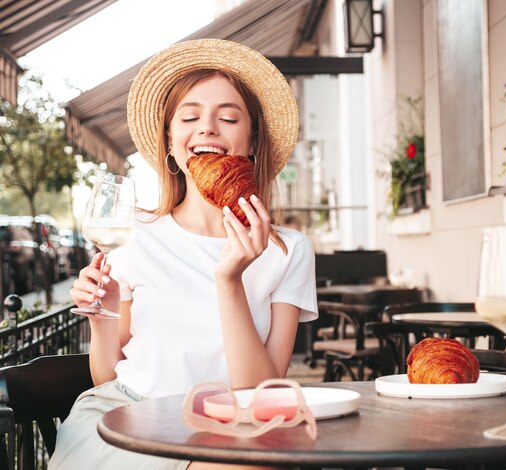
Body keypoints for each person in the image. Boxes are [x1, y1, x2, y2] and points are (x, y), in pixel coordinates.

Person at [49, 39, 318, 470]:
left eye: (228, 117)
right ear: (172, 144)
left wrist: (229, 281)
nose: (208, 128)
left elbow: (260, 390)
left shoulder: (288, 250)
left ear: (251, 142)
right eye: (190, 117)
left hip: (231, 426)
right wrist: (103, 318)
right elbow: (108, 378)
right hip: (128, 419)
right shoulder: (134, 234)